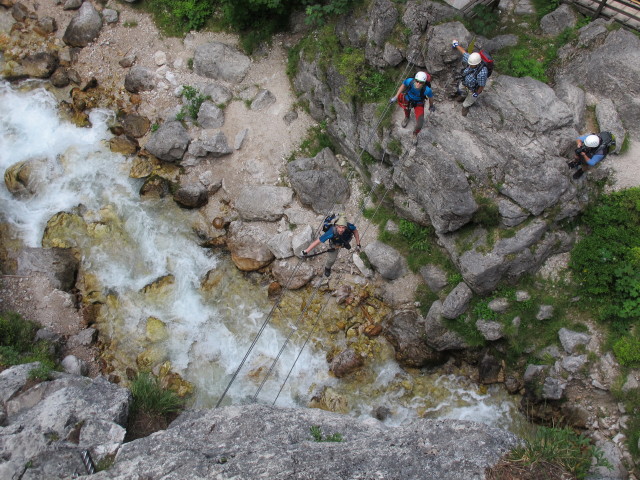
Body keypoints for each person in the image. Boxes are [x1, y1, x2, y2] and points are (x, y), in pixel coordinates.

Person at [389, 71, 435, 145]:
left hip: (419, 103)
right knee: (406, 109)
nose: (418, 84)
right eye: (417, 81)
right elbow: (403, 85)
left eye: (421, 82)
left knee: (420, 122)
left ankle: (415, 134)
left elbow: (431, 98)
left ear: (424, 83)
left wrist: (431, 105)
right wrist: (396, 96)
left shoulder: (427, 90)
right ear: (415, 80)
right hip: (408, 98)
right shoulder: (410, 81)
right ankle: (407, 117)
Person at [451, 40, 489, 117]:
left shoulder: (482, 73)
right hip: (465, 82)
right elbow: (464, 52)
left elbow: (482, 85)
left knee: (470, 99)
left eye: (472, 65)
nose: (470, 65)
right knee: (461, 89)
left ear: (477, 64)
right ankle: (463, 96)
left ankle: (465, 106)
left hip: (473, 89)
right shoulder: (471, 60)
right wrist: (456, 45)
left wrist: (477, 93)